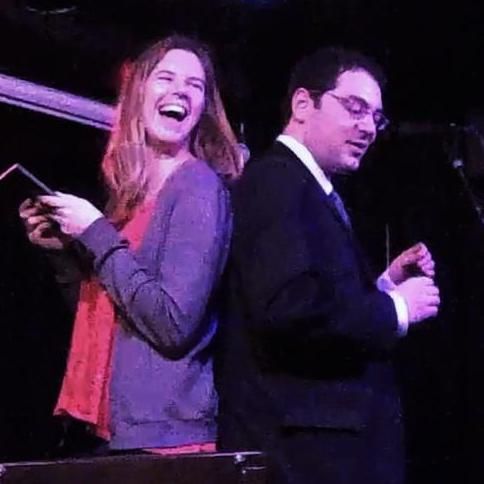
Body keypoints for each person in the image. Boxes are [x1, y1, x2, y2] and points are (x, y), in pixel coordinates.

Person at [216, 47, 440, 484]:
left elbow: (311, 296)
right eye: (355, 108)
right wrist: (396, 309)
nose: (368, 127)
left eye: (376, 117)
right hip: (305, 455)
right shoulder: (276, 180)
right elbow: (289, 309)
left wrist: (383, 284)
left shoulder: (308, 187)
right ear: (303, 104)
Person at [19, 34, 242, 455]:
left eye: (194, 85)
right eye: (166, 78)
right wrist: (63, 255)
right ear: (139, 92)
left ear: (203, 108)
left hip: (164, 440)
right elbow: (109, 316)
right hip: (110, 431)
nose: (180, 91)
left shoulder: (197, 187)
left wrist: (96, 232)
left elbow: (172, 324)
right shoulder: (130, 198)